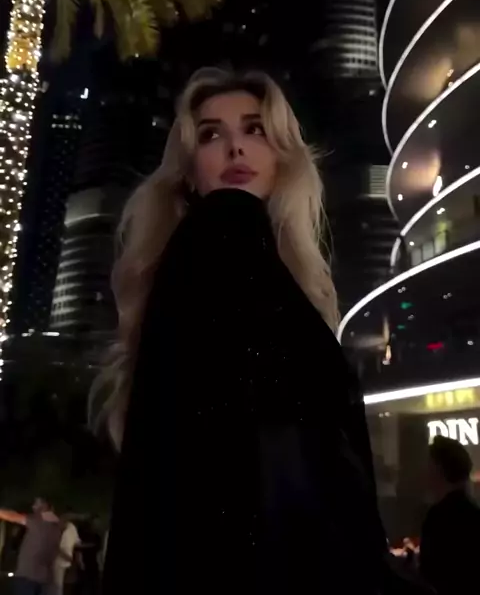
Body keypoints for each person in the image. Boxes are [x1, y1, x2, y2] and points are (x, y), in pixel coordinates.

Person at [100, 67, 395, 594]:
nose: (235, 148)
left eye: (254, 129)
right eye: (211, 135)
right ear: (189, 173)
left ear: (282, 155)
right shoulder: (219, 237)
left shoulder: (244, 268)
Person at [420, 435, 480, 594]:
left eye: (428, 465)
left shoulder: (437, 519)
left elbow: (430, 576)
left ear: (437, 470)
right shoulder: (474, 514)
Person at [0, 497, 62, 595]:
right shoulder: (57, 526)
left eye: (36, 504)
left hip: (27, 576)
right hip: (46, 578)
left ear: (44, 506)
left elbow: (11, 516)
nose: (33, 507)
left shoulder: (37, 520)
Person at [52, 515, 80, 595]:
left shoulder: (71, 528)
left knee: (63, 585)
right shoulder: (54, 530)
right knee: (57, 586)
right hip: (58, 563)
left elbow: (76, 543)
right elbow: (56, 547)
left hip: (66, 563)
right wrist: (67, 557)